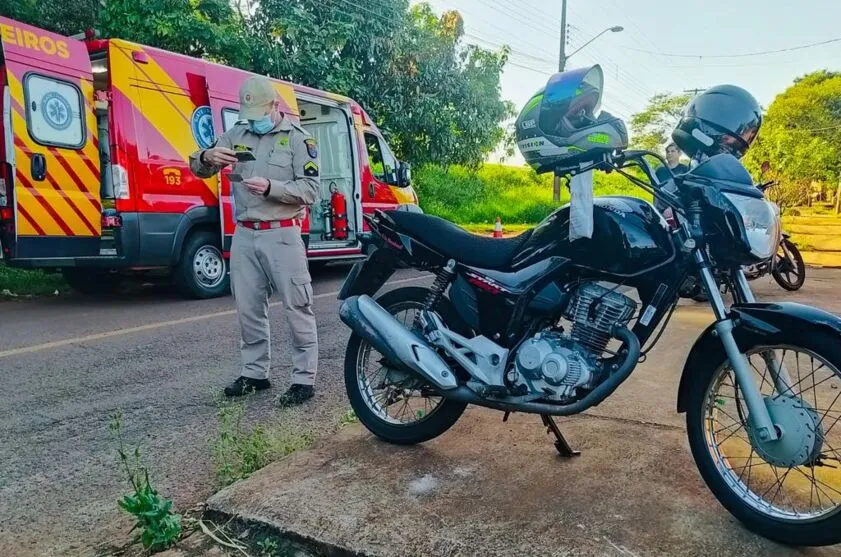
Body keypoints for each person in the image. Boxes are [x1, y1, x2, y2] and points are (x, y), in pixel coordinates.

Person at [189, 76, 320, 407]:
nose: (253, 119)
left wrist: (272, 188)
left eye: (259, 112)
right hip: (245, 234)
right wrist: (206, 157)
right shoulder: (236, 134)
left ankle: (304, 379)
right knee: (248, 309)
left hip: (283, 232)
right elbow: (197, 167)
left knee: (297, 306)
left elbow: (311, 190)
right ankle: (255, 374)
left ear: (275, 106)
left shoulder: (299, 140)